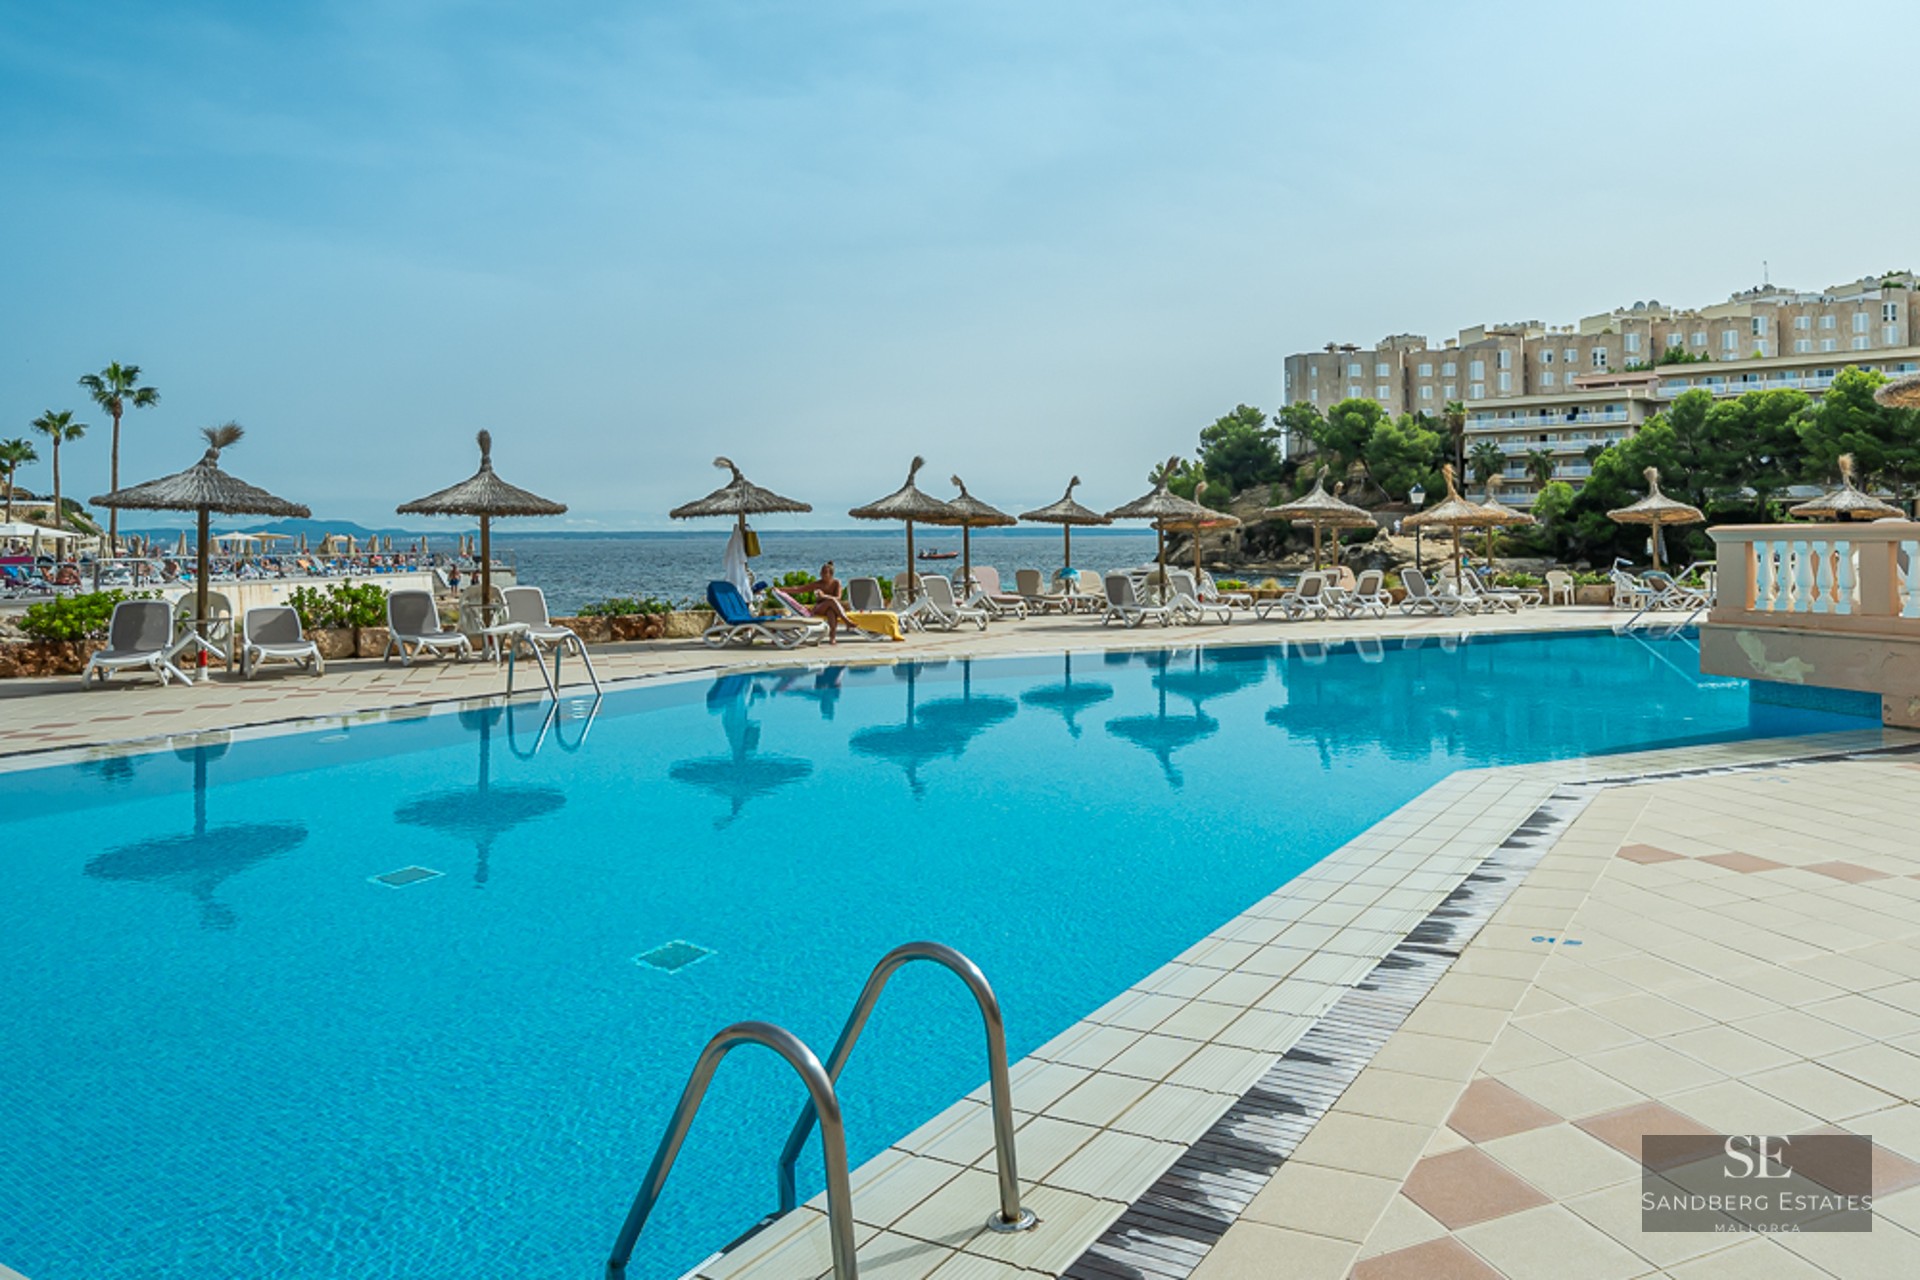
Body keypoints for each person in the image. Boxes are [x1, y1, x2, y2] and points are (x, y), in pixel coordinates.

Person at [786, 561, 861, 644]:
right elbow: (799, 589)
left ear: (831, 574)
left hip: (832, 608)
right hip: (819, 608)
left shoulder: (836, 583)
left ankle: (832, 637)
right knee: (831, 601)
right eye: (821, 572)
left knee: (831, 611)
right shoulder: (818, 584)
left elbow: (838, 598)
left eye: (825, 572)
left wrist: (824, 596)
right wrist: (781, 589)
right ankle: (846, 621)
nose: (822, 574)